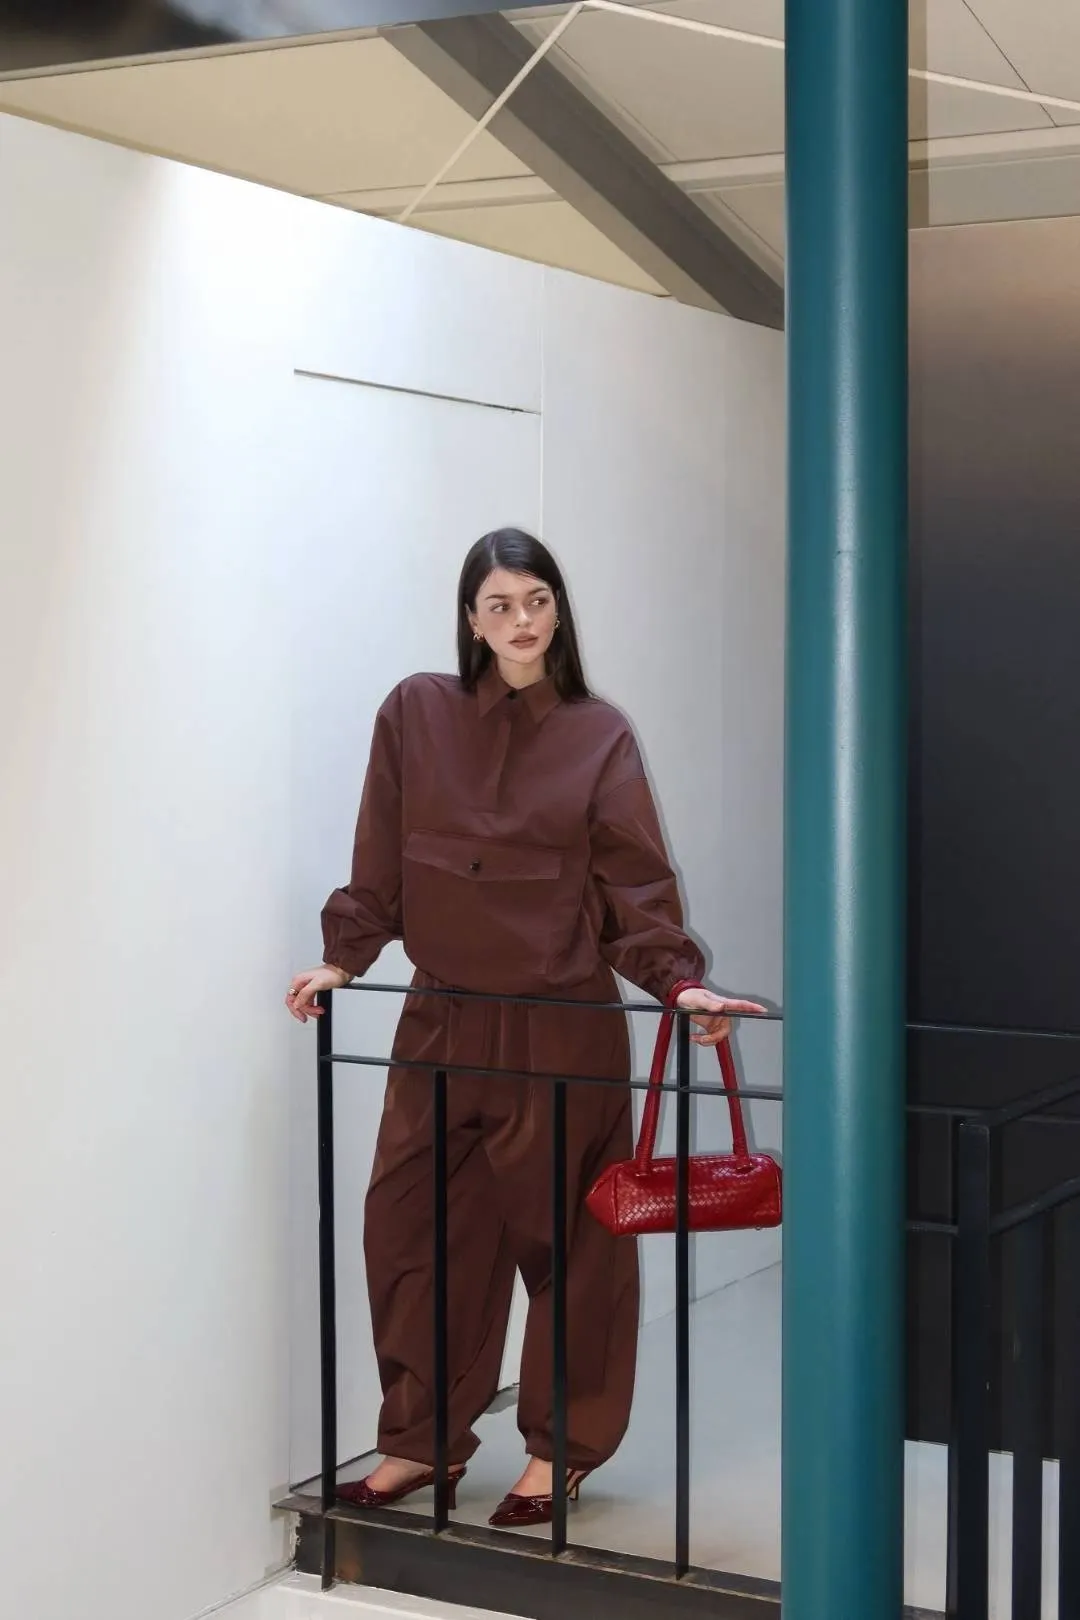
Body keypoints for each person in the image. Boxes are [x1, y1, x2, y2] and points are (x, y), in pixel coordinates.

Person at [287, 528, 763, 1529]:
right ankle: (419, 1441)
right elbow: (381, 849)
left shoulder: (598, 734)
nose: (521, 621)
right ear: (470, 618)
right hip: (440, 1015)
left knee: (572, 1242)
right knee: (412, 1229)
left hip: (560, 1023)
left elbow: (634, 883)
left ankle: (559, 1450)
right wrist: (346, 955)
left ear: (559, 609)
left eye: (537, 600)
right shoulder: (416, 713)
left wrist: (678, 984)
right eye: (499, 604)